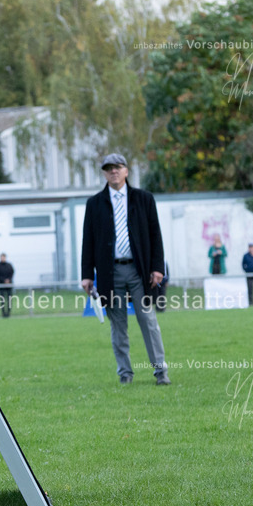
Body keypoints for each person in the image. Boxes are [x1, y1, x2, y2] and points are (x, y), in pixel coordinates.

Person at [81, 153, 169, 386]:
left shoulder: (144, 199)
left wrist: (158, 268)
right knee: (118, 324)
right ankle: (125, 373)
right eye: (109, 168)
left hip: (140, 271)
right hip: (111, 273)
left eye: (118, 167)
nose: (114, 171)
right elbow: (87, 240)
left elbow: (155, 235)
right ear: (104, 173)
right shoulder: (94, 204)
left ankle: (161, 372)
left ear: (126, 171)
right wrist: (87, 275)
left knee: (148, 321)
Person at [0, 253, 15, 317]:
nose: (2, 258)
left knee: (9, 300)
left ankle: (8, 313)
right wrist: (4, 280)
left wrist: (8, 280)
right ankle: (3, 313)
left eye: (3, 257)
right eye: (1, 257)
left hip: (9, 285)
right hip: (1, 285)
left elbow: (12, 273)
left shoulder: (9, 265)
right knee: (2, 300)